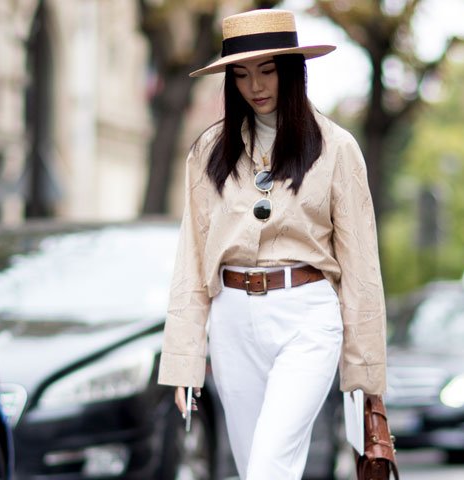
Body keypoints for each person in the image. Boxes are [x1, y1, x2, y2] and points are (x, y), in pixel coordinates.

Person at [158, 8, 387, 480]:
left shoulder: (335, 148)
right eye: (241, 74)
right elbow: (191, 257)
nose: (255, 85)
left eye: (266, 70)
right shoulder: (208, 152)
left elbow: (361, 264)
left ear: (291, 70)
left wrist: (365, 375)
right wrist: (184, 357)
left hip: (307, 317)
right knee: (252, 468)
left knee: (268, 467)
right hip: (232, 321)